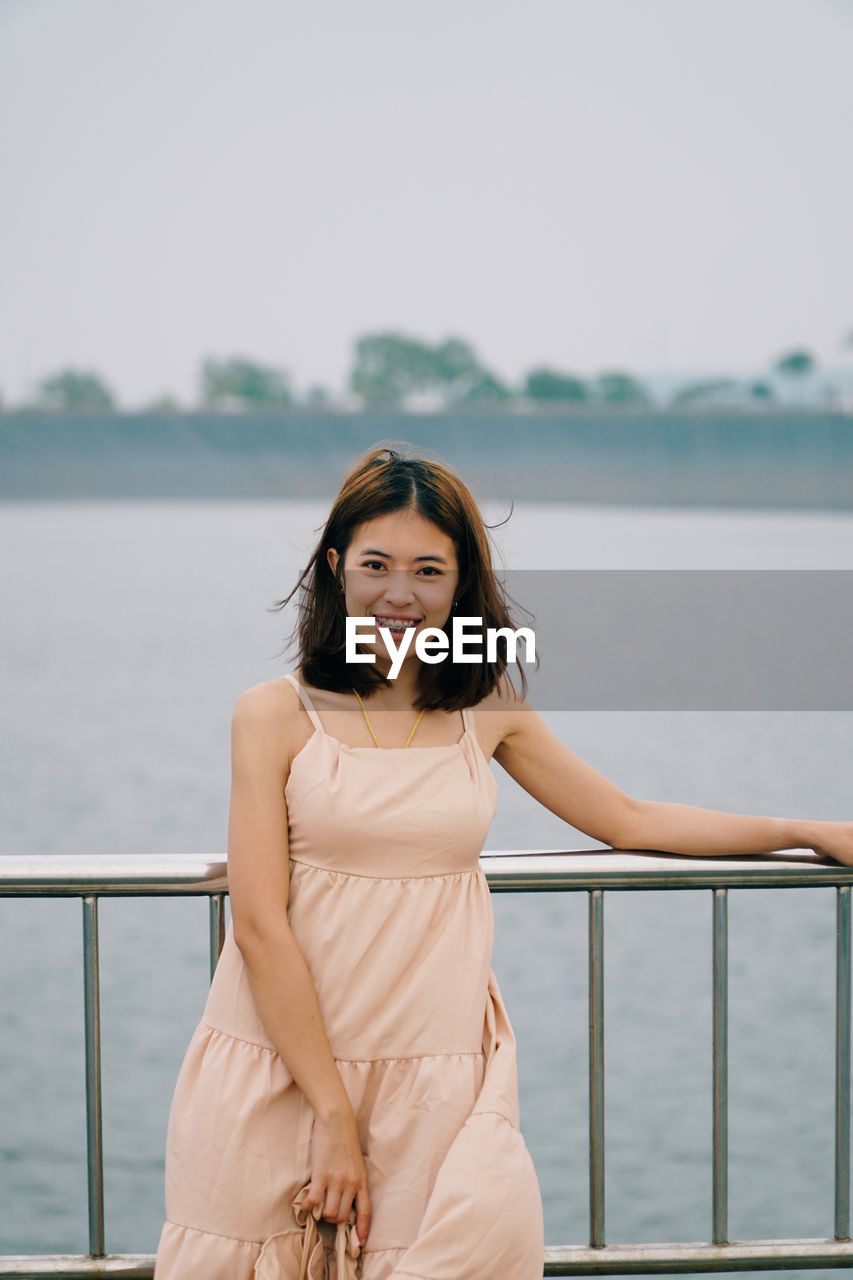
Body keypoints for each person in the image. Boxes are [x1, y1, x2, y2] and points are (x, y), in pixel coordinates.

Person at [153, 443, 853, 1280]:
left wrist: (804, 829)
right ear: (337, 567)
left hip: (435, 1068)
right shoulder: (273, 714)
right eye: (376, 564)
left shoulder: (485, 708)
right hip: (285, 1066)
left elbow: (626, 819)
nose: (400, 594)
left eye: (428, 571)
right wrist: (331, 1116)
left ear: (461, 585)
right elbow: (262, 927)